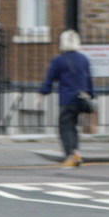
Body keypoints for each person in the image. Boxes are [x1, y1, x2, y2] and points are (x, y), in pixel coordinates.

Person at [38, 29, 94, 167]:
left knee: (64, 127)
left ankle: (70, 156)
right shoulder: (84, 59)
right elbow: (89, 79)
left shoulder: (59, 60)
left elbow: (49, 79)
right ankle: (76, 152)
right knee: (73, 127)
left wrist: (43, 94)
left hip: (67, 99)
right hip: (81, 99)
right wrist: (91, 95)